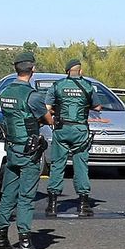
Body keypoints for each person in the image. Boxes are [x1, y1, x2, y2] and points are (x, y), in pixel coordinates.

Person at [0, 53, 49, 249]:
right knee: (25, 198)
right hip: (28, 153)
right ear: (32, 69)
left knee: (7, 195)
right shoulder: (32, 96)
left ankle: (1, 241)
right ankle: (25, 244)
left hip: (12, 150)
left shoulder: (6, 92)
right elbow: (47, 118)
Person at [46, 59, 102, 218]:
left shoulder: (57, 86)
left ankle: (52, 205)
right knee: (81, 165)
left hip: (62, 129)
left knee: (57, 164)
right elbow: (97, 107)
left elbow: (47, 108)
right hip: (80, 130)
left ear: (67, 71)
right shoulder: (88, 86)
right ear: (80, 71)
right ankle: (83, 204)